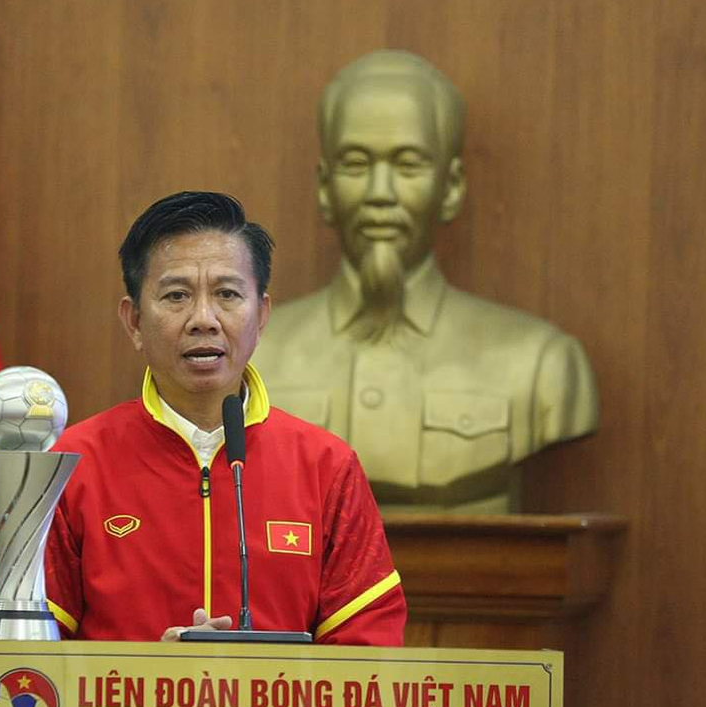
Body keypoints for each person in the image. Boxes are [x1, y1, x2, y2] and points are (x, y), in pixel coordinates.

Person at [44, 191, 406, 645]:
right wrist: (145, 675)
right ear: (134, 321)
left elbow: (367, 647)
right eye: (176, 296)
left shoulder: (325, 467)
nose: (204, 319)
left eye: (227, 294)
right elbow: (31, 659)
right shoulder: (73, 465)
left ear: (262, 316)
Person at [253, 50, 599, 514]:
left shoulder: (541, 365)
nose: (380, 193)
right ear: (325, 188)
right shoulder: (250, 358)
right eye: (355, 163)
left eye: (408, 165)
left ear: (451, 187)